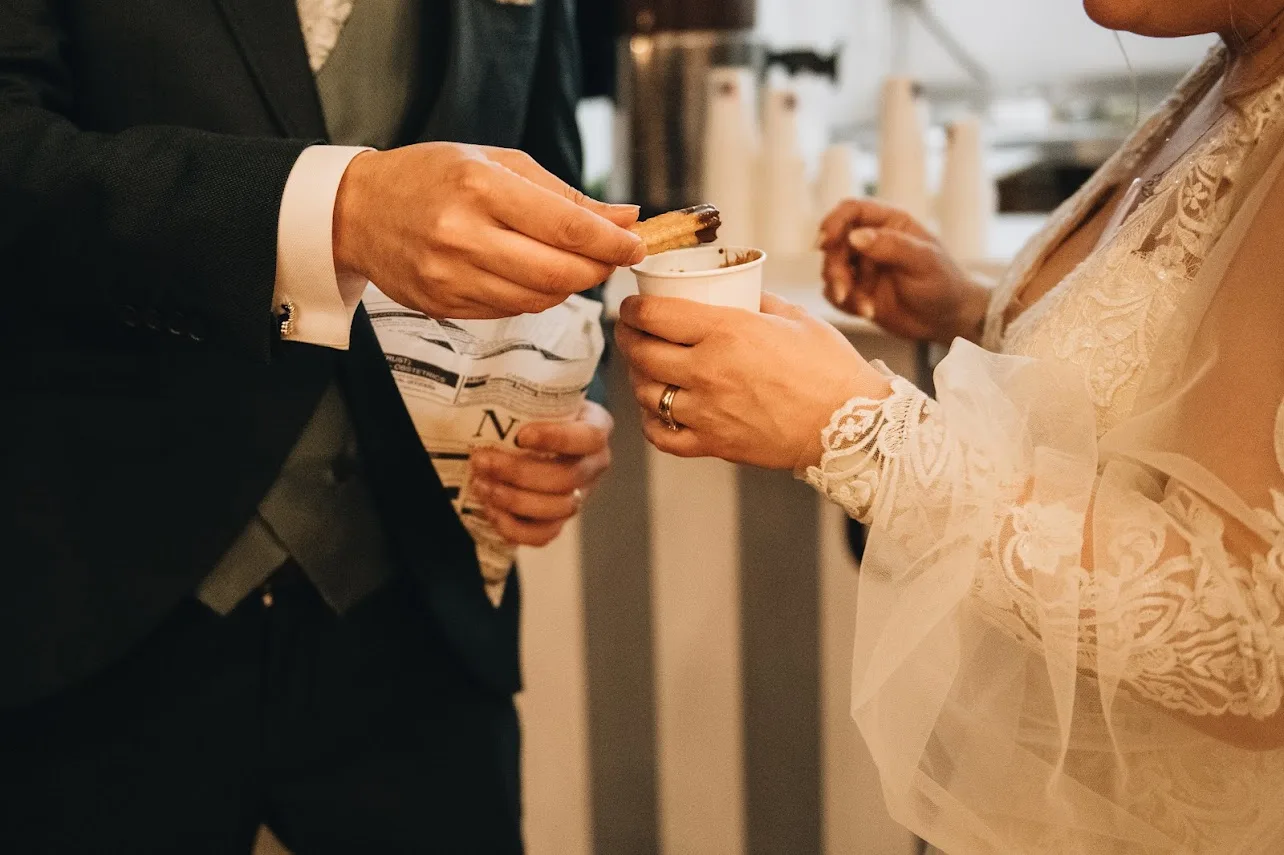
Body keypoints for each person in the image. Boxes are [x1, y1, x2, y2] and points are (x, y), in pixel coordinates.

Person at [617, 0, 1284, 851]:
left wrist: (858, 430)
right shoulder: (1225, 71)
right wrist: (976, 308)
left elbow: (1254, 648)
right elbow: (1163, 374)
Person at [0, 0, 641, 851]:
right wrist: (332, 211)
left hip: (422, 621)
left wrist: (564, 396)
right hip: (102, 605)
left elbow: (553, 199)